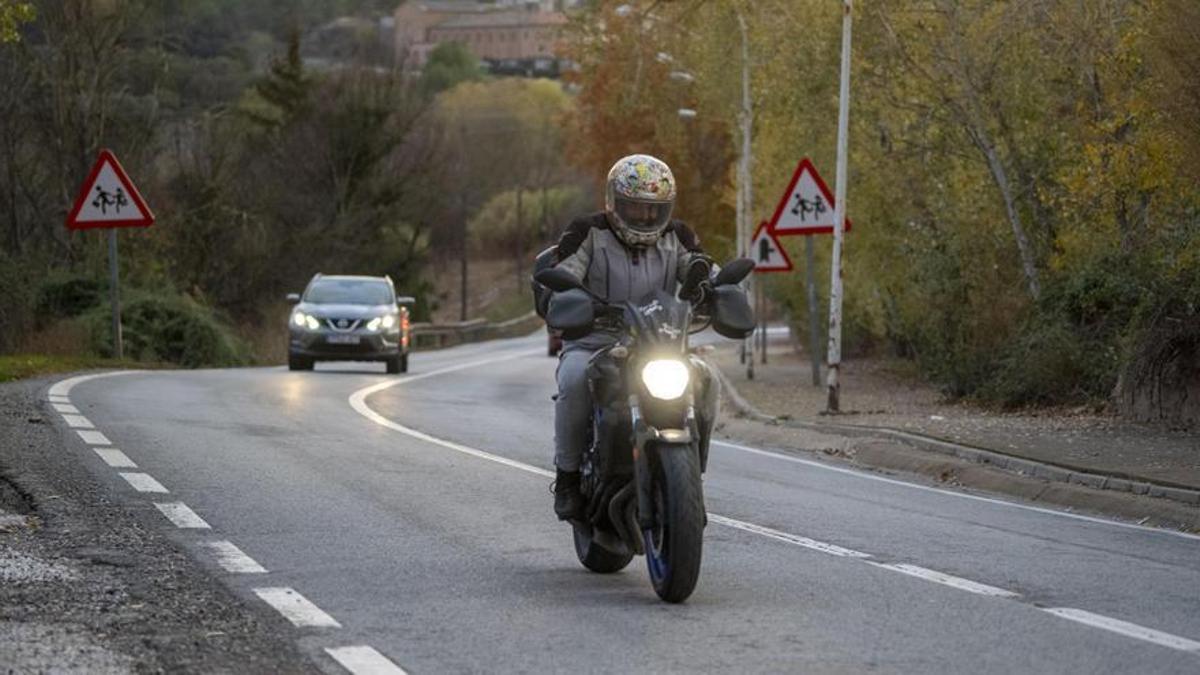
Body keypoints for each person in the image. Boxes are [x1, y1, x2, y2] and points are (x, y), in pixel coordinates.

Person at [549, 154, 711, 520]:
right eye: (633, 208)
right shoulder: (587, 232)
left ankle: (691, 477)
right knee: (573, 381)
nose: (643, 217)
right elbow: (565, 272)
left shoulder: (677, 236)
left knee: (706, 378)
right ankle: (568, 476)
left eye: (652, 210)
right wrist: (566, 295)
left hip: (660, 343)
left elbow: (700, 265)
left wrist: (708, 282)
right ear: (613, 202)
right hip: (596, 341)